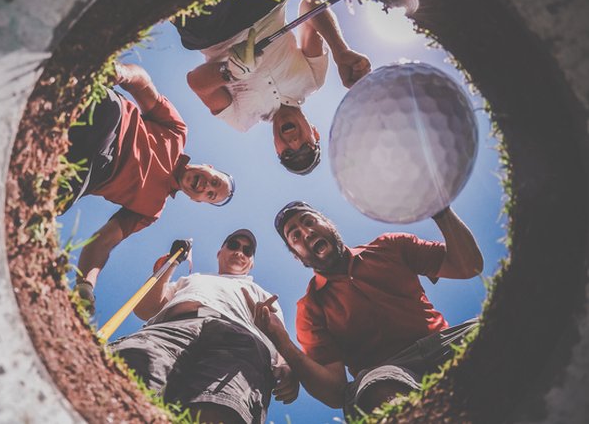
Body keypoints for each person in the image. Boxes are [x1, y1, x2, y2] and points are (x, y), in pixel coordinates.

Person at [244, 201, 483, 417]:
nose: (306, 233)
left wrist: (440, 210)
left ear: (329, 225)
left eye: (309, 222)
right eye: (295, 236)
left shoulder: (391, 246)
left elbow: (468, 266)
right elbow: (335, 393)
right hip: (386, 372)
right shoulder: (311, 308)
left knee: (495, 327)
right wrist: (282, 340)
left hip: (443, 344)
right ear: (300, 258)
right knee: (375, 390)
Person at [60, 62, 235, 313]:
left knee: (54, 201)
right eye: (214, 181)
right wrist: (120, 73)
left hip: (90, 172)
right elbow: (143, 84)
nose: (207, 186)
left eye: (210, 194)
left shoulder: (150, 211)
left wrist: (85, 284)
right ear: (208, 166)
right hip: (110, 119)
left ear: (198, 201)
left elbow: (103, 242)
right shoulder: (177, 132)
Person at [109, 230, 299, 424]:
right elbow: (145, 309)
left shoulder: (262, 293)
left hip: (241, 341)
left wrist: (285, 364)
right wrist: (171, 264)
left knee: (221, 406)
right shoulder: (192, 279)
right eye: (233, 245)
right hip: (176, 326)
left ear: (251, 263)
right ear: (220, 252)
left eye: (247, 251)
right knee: (127, 368)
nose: (239, 252)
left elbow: (277, 333)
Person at [177, 0, 371, 175]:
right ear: (315, 133)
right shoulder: (313, 79)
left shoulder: (241, 119)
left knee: (195, 19)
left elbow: (196, 83)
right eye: (305, 147)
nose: (294, 142)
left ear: (277, 150)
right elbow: (310, 3)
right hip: (264, 4)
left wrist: (229, 73)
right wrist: (340, 51)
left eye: (288, 154)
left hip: (212, 31)